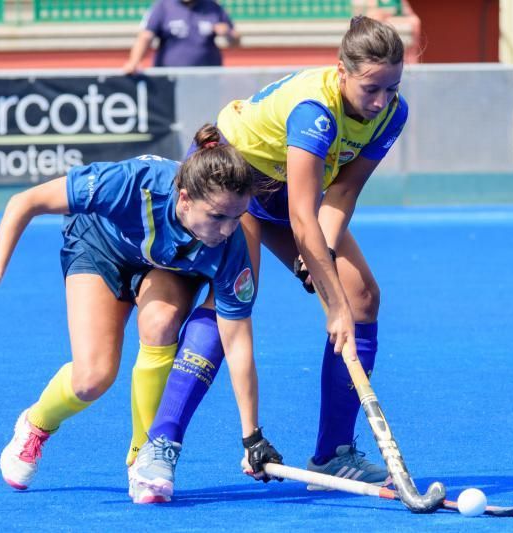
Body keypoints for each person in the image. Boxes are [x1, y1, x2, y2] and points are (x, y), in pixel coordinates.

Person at [132, 14, 409, 494]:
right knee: (233, 300)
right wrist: (331, 302)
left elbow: (340, 197)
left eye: (391, 87)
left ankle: (333, 456)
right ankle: (160, 447)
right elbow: (303, 218)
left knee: (362, 297)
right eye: (371, 89)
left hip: (291, 193)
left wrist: (323, 267)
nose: (381, 100)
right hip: (236, 179)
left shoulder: (392, 112)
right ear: (341, 72)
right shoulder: (314, 111)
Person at [0, 125, 282, 500]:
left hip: (162, 265)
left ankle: (146, 457)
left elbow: (237, 343)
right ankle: (36, 424)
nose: (227, 230)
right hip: (99, 247)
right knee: (92, 378)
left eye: (237, 217)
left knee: (162, 322)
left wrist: (251, 435)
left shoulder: (229, 243)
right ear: (185, 199)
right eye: (218, 216)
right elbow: (25, 201)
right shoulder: (129, 184)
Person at [123, 0, 240, 72]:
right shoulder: (163, 6)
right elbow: (145, 37)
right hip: (171, 79)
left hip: (206, 79)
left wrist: (227, 34)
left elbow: (235, 42)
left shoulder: (213, 7)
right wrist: (134, 62)